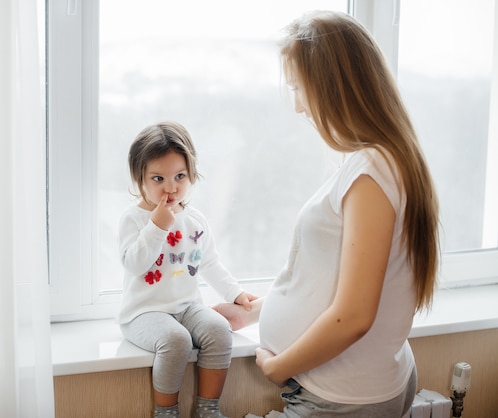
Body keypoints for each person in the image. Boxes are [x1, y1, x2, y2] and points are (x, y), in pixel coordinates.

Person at [213, 10, 440, 418]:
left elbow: (354, 315)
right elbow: (334, 277)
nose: (299, 106)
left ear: (334, 88)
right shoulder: (378, 162)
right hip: (352, 387)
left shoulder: (373, 171)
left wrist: (280, 367)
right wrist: (254, 311)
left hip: (341, 397)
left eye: (300, 88)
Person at [118, 120, 257, 418]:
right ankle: (165, 413)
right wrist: (156, 227)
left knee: (220, 330)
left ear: (191, 173)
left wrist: (236, 293)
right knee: (176, 340)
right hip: (143, 313)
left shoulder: (195, 220)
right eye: (158, 179)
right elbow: (133, 264)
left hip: (186, 307)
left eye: (180, 176)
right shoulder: (134, 219)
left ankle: (208, 409)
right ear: (139, 177)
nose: (171, 187)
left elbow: (209, 262)